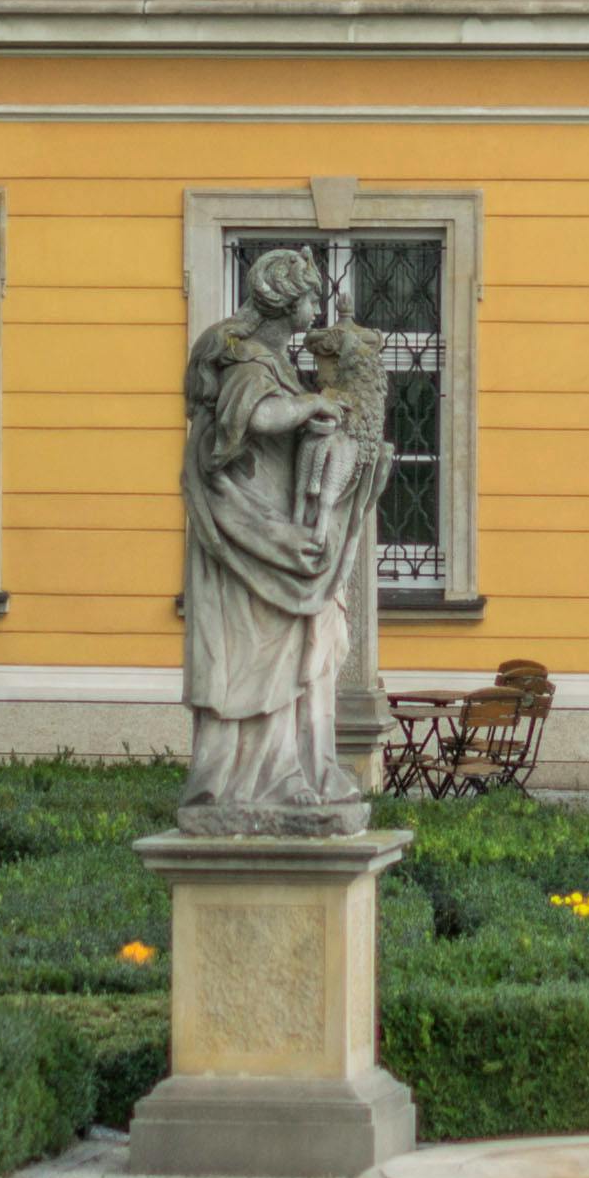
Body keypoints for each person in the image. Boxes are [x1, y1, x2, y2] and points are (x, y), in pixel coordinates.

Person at [179, 247, 376, 827]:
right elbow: (256, 418)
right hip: (252, 539)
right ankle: (250, 781)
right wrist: (311, 404)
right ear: (286, 302)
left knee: (295, 655)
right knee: (256, 656)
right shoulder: (250, 364)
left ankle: (291, 771)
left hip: (278, 535)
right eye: (311, 299)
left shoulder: (274, 364)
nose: (316, 312)